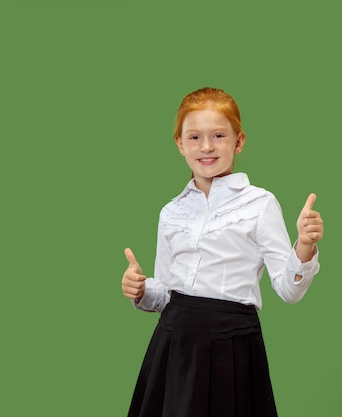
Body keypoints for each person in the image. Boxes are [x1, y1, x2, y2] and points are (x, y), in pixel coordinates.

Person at [122, 87, 323, 417]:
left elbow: (288, 291)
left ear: (238, 141)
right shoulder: (170, 211)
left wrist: (304, 245)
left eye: (218, 135)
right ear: (180, 144)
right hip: (174, 344)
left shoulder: (259, 204)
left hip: (231, 344)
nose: (206, 146)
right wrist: (142, 289)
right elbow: (164, 294)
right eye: (195, 137)